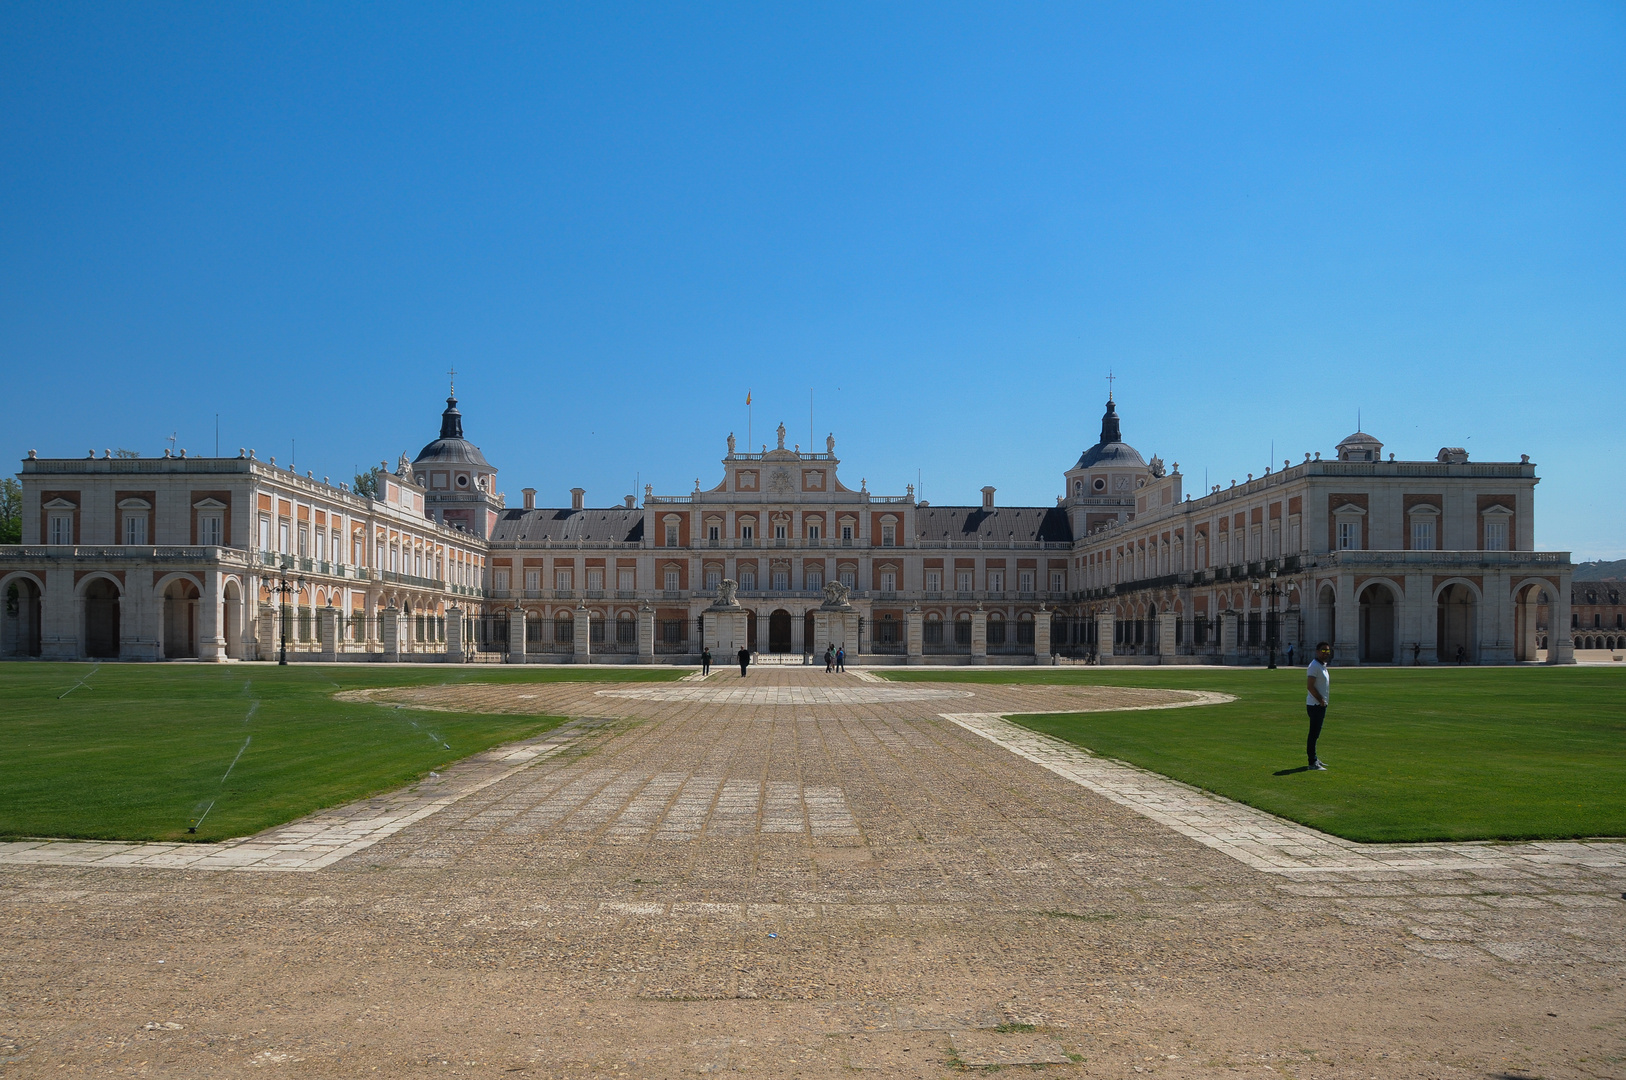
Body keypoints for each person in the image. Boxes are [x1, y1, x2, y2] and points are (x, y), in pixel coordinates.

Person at [1305, 641, 1331, 770]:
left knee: (1316, 734)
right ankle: (1312, 762)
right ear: (1317, 651)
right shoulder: (1314, 666)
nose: (1325, 653)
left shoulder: (1322, 666)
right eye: (1323, 650)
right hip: (1315, 704)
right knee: (1313, 734)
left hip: (1320, 704)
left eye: (1327, 651)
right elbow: (1310, 686)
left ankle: (1314, 758)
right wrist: (1320, 700)